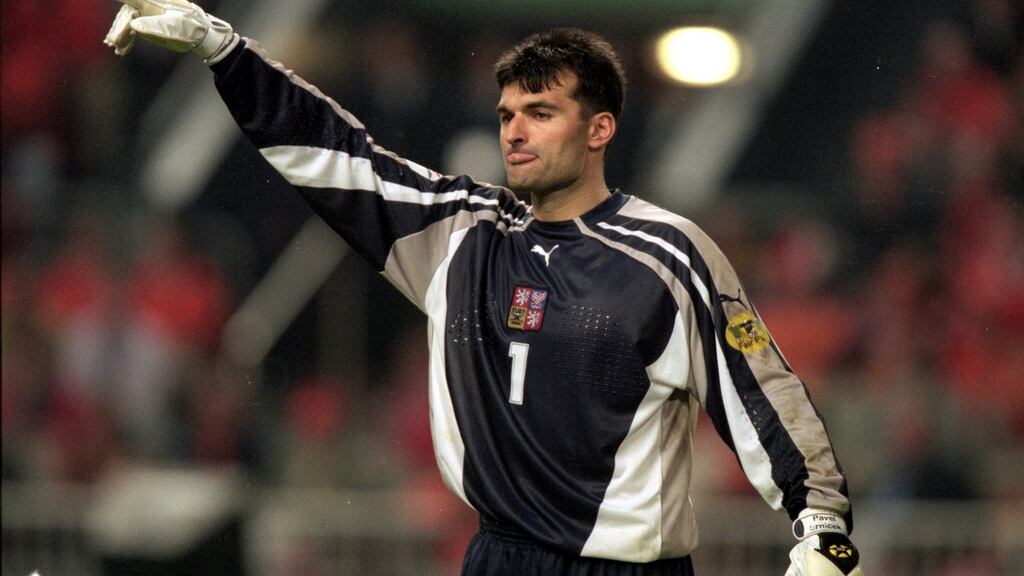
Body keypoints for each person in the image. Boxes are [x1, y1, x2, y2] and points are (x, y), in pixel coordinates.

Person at [104, 2, 863, 575]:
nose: (515, 132)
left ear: (599, 129)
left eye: (541, 113)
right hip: (496, 557)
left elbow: (758, 388)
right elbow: (335, 155)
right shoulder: (458, 235)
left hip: (625, 569)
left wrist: (820, 520)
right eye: (507, 115)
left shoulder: (669, 254)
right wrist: (224, 50)